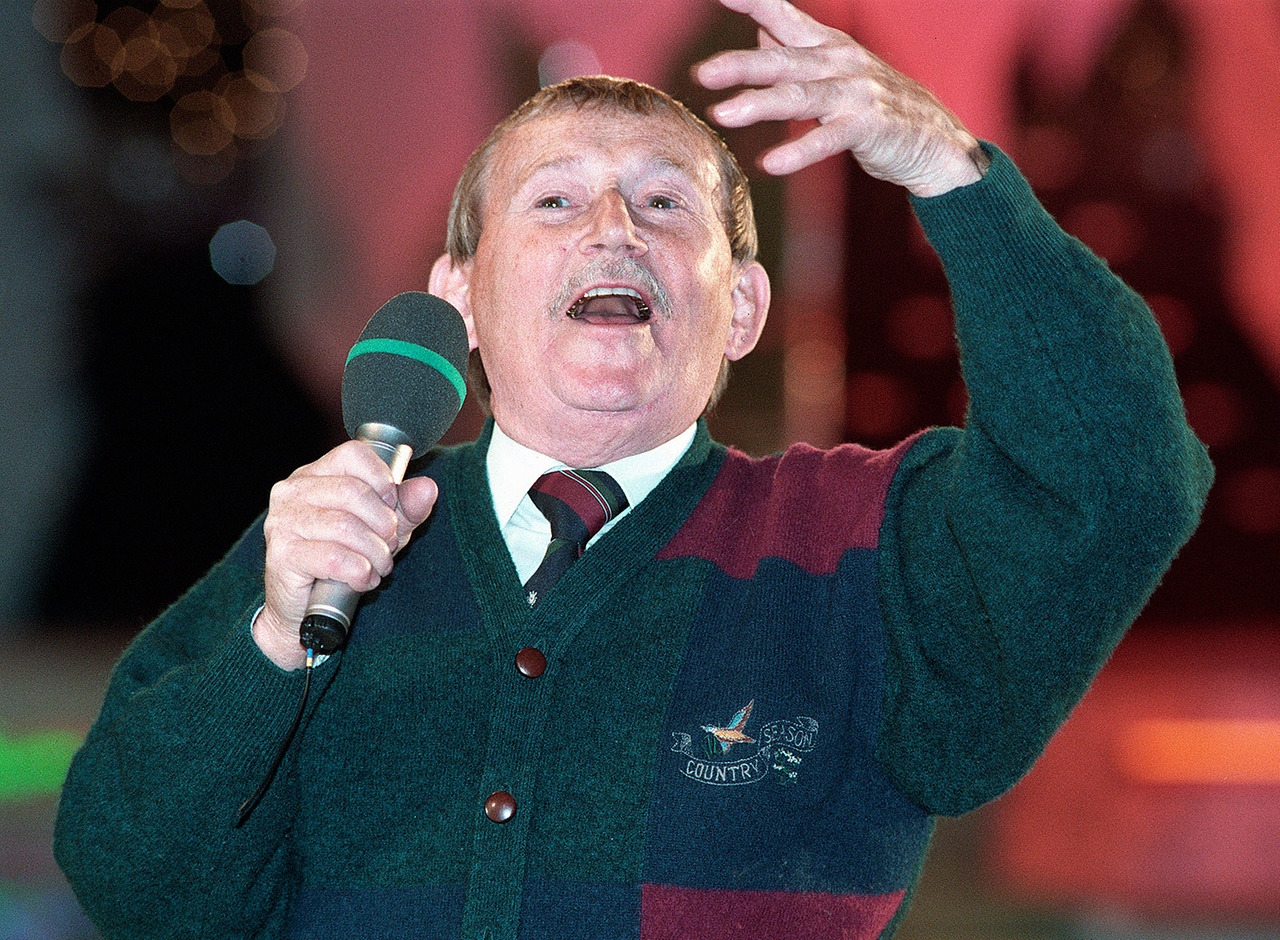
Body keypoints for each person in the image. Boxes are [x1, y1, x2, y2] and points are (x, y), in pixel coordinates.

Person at [55, 0, 1212, 937]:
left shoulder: (861, 551)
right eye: (553, 199)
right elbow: (137, 887)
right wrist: (269, 647)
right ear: (458, 298)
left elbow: (1117, 479)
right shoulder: (325, 549)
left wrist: (949, 171)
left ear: (742, 307)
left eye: (662, 202)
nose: (611, 223)